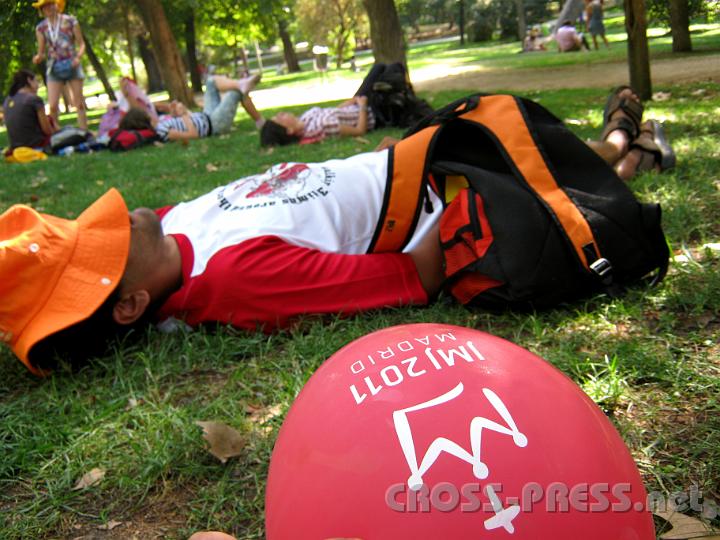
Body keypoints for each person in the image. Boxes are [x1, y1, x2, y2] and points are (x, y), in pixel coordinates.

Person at [0, 88, 674, 376]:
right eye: (99, 245)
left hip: (411, 157)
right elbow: (416, 277)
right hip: (440, 191)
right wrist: (478, 193)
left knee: (552, 154)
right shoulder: (236, 280)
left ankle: (625, 148)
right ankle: (625, 145)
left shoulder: (173, 226)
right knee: (568, 187)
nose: (117, 220)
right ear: (128, 304)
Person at [258, 63, 409, 146]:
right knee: (395, 68)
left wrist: (351, 101)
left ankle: (401, 93)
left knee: (380, 68)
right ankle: (408, 97)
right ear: (289, 130)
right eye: (279, 118)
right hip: (371, 112)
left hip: (356, 103)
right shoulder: (322, 127)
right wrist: (362, 105)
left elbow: (334, 111)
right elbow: (359, 130)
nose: (280, 114)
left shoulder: (305, 118)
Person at [151, 73, 262, 143]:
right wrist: (183, 114)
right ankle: (261, 122)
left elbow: (189, 118)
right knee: (236, 93)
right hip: (214, 125)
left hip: (206, 114)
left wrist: (174, 109)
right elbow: (193, 135)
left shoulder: (162, 119)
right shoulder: (162, 130)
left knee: (211, 81)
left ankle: (240, 84)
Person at [31, 0, 88, 130]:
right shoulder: (41, 28)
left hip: (72, 64)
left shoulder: (71, 21)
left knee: (79, 103)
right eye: (45, 6)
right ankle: (55, 135)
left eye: (51, 4)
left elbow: (81, 44)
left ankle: (84, 132)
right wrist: (39, 57)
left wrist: (78, 58)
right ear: (42, 10)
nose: (49, 8)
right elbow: (41, 51)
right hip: (54, 67)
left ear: (57, 5)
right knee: (52, 106)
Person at [2, 69, 57, 151]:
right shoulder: (34, 99)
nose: (38, 85)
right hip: (35, 144)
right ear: (29, 80)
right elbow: (47, 130)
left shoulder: (7, 100)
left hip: (16, 146)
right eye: (36, 81)